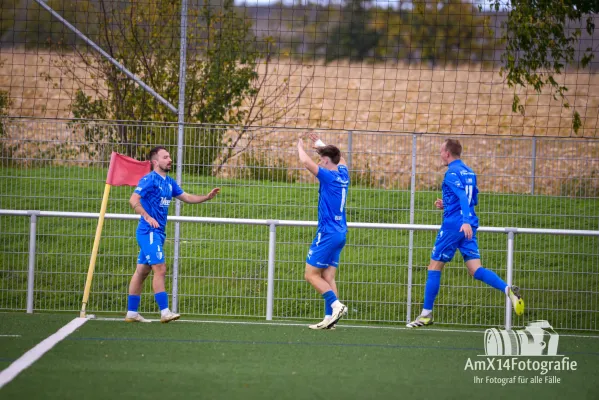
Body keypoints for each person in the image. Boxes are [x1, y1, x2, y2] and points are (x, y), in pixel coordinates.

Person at [407, 139, 524, 328]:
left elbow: (463, 196)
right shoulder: (469, 172)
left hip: (456, 226)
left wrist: (464, 221)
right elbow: (472, 198)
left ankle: (426, 314)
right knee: (476, 270)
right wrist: (448, 205)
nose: (439, 154)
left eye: (440, 151)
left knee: (434, 267)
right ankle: (508, 289)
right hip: (467, 226)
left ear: (447, 153)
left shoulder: (451, 173)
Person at [125, 146, 220, 323]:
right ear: (155, 162)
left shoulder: (169, 182)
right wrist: (147, 216)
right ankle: (165, 312)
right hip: (149, 232)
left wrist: (207, 197)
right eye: (165, 157)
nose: (170, 159)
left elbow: (187, 197)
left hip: (158, 233)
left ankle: (131, 313)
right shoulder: (149, 180)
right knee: (160, 268)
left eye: (169, 156)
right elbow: (133, 200)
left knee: (142, 271)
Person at [297, 132, 349, 330]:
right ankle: (330, 319)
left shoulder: (329, 177)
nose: (320, 162)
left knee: (311, 275)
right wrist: (320, 144)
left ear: (327, 162)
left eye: (322, 160)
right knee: (327, 277)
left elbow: (306, 163)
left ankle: (336, 306)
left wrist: (300, 147)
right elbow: (341, 157)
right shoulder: (344, 174)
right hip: (340, 233)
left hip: (327, 233)